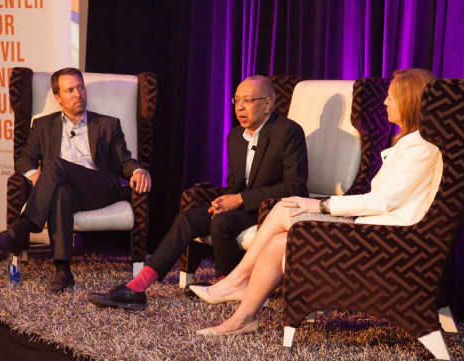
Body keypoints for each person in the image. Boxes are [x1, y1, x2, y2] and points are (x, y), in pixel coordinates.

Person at [190, 68, 443, 335]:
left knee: (285, 208)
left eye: (391, 97)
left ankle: (238, 279)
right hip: (374, 229)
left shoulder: (419, 147)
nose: (385, 102)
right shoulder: (409, 142)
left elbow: (382, 201)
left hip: (384, 239)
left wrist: (322, 205)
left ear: (410, 101)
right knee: (279, 239)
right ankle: (243, 318)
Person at [87, 75, 309, 310]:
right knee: (187, 218)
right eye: (236, 100)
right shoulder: (235, 136)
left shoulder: (288, 132)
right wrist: (224, 200)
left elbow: (295, 185)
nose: (240, 107)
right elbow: (234, 185)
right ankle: (138, 287)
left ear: (267, 104)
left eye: (247, 100)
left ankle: (229, 285)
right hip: (241, 206)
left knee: (222, 222)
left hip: (271, 210)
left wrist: (240, 199)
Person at [0, 67, 151, 293]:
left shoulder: (108, 124)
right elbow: (23, 160)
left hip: (100, 188)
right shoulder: (42, 125)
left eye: (81, 87)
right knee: (60, 193)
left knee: (54, 164)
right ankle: (63, 271)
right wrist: (37, 175)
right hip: (66, 189)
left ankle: (20, 230)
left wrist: (138, 171)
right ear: (58, 97)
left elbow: (123, 162)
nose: (78, 94)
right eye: (70, 90)